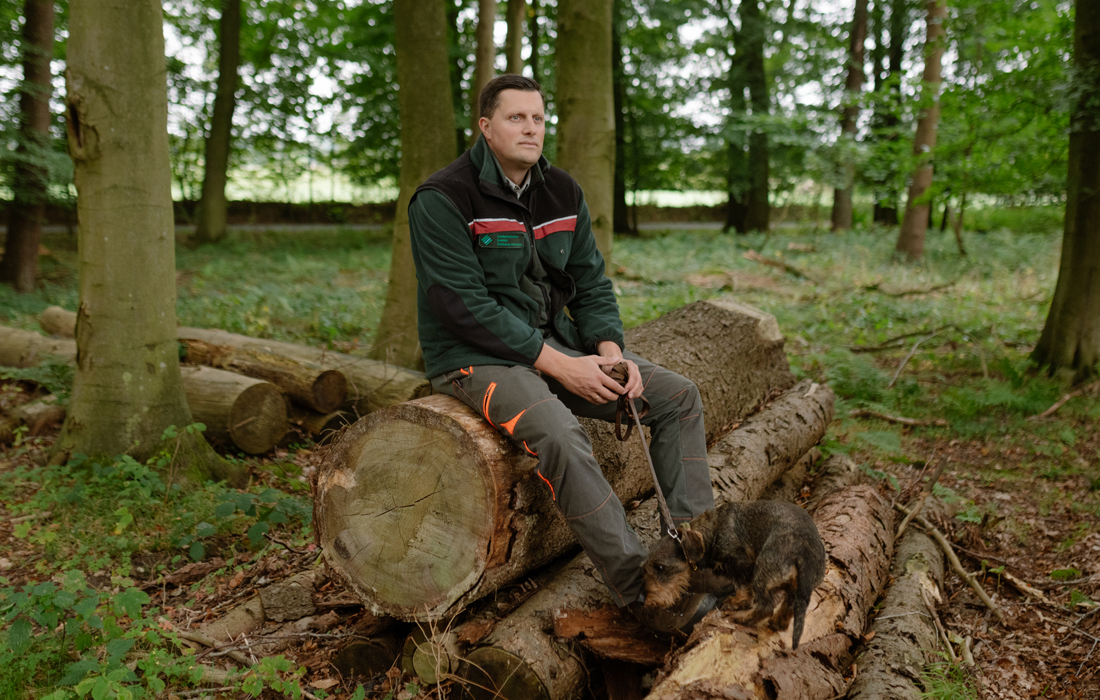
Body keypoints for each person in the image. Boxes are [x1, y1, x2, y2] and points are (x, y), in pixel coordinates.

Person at [408, 74, 715, 632]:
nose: (531, 128)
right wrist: (557, 365)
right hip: (475, 358)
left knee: (678, 397)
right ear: (485, 127)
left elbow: (591, 283)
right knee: (559, 434)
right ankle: (642, 594)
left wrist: (608, 349)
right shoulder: (442, 199)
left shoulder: (562, 191)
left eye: (538, 118)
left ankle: (690, 562)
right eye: (515, 118)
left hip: (560, 345)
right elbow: (461, 307)